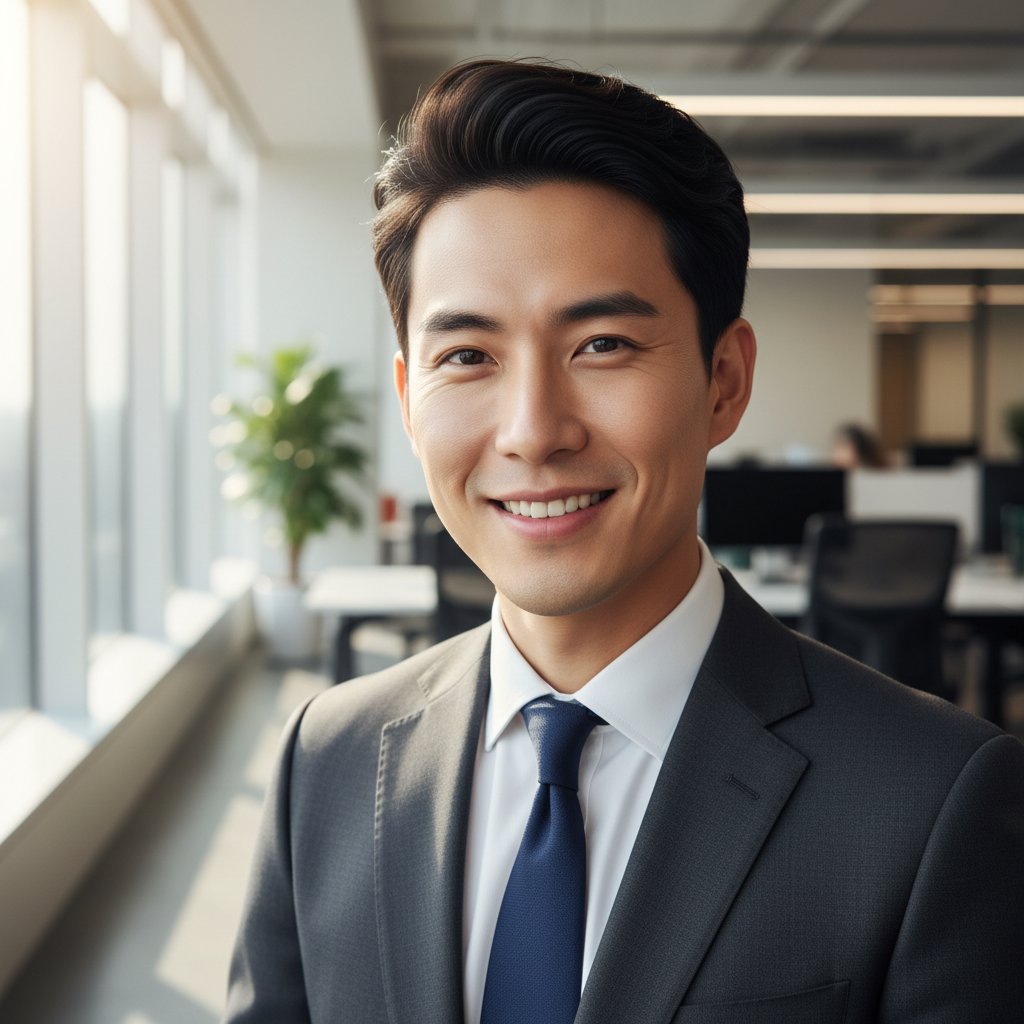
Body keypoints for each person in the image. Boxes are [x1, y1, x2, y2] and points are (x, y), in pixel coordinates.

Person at [224, 61, 1024, 1024]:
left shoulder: (932, 800)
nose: (533, 429)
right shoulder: (329, 760)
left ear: (723, 381)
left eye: (601, 345)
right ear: (407, 399)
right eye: (467, 356)